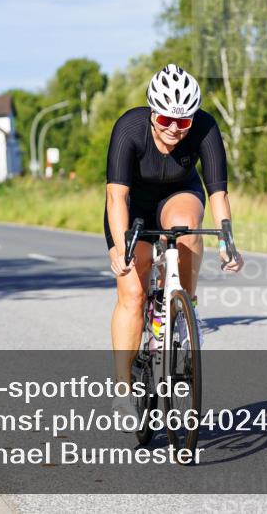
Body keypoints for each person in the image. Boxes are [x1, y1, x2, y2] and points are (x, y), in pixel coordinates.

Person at [104, 64, 244, 419]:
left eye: (183, 122)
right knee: (133, 294)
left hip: (179, 194)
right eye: (166, 119)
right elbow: (116, 197)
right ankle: (123, 389)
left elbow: (218, 194)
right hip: (133, 205)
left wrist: (227, 242)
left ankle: (184, 306)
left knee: (185, 227)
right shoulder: (129, 128)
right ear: (152, 112)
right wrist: (121, 248)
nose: (174, 129)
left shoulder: (205, 127)